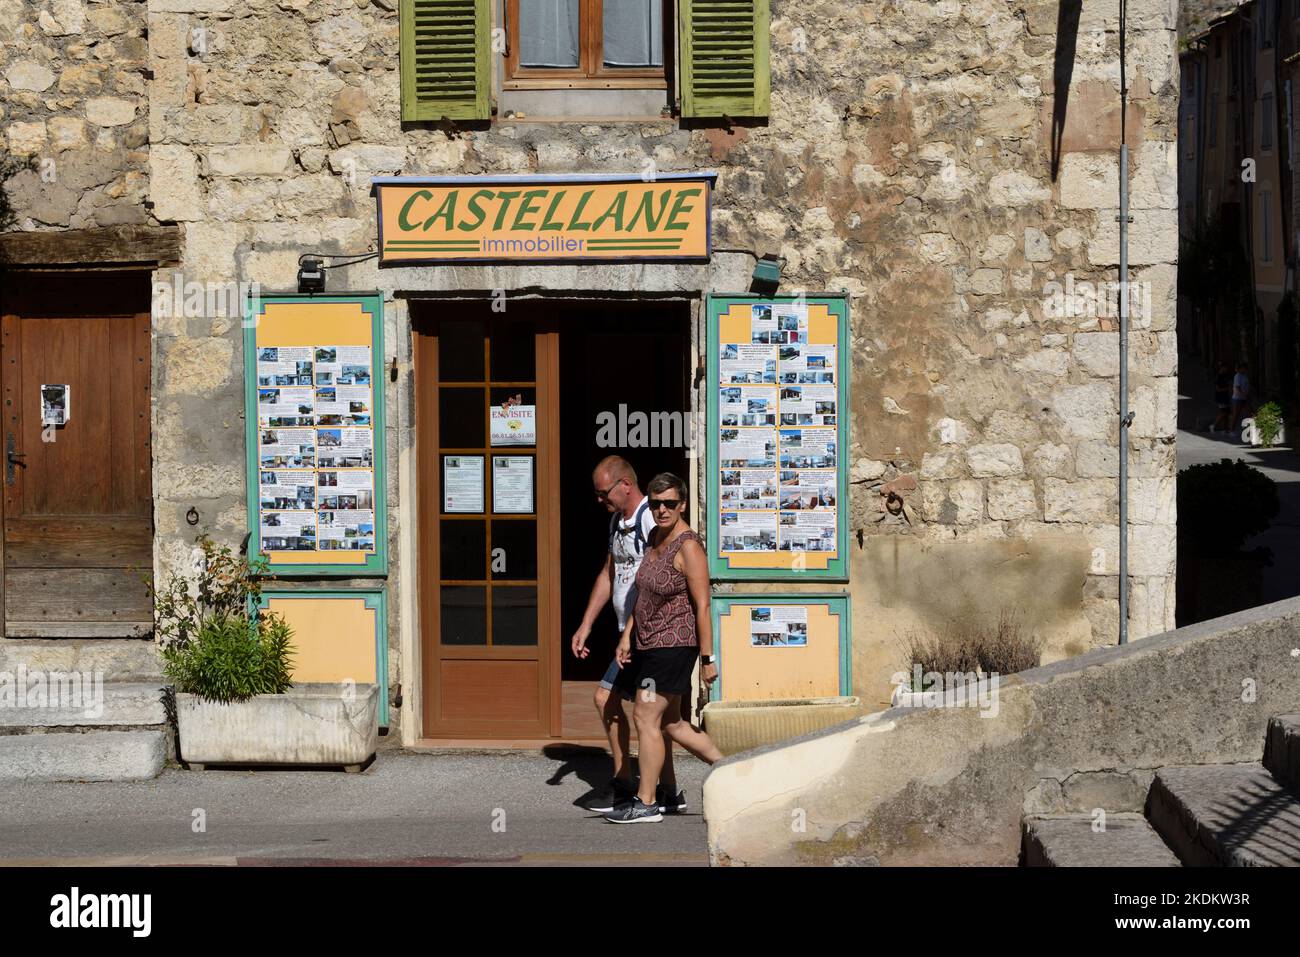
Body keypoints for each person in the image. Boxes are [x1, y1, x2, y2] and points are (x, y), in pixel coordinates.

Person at [605, 472, 724, 824]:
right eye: (656, 504)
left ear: (682, 504)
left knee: (644, 714)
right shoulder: (654, 537)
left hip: (676, 644)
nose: (662, 510)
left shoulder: (688, 546)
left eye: (670, 503)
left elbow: (702, 605)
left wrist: (707, 659)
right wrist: (627, 635)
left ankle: (647, 802)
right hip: (648, 641)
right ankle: (732, 769)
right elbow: (641, 593)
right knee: (672, 723)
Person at [570, 456, 685, 814]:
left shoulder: (651, 520)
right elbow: (610, 573)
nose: (599, 500)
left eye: (604, 493)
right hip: (630, 632)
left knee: (613, 702)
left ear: (625, 485)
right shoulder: (616, 524)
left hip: (650, 634)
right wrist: (586, 624)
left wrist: (634, 633)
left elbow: (658, 578)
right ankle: (669, 792)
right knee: (662, 718)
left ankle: (625, 786)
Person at [1212, 362, 1232, 433]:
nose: (1226, 369)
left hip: (1226, 397)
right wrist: (1227, 388)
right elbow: (1218, 389)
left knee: (1227, 413)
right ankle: (1213, 426)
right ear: (1222, 368)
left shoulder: (1225, 376)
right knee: (1223, 412)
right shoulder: (1218, 377)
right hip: (1220, 397)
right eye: (1225, 368)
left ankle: (1226, 428)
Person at [1231, 362, 1251, 432]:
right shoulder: (1237, 376)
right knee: (1236, 414)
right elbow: (1237, 387)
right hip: (1237, 398)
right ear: (1240, 369)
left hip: (1244, 398)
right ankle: (1232, 430)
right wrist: (1243, 394)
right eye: (1243, 368)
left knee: (1250, 412)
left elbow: (1247, 385)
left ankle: (1250, 429)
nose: (1244, 370)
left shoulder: (1245, 375)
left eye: (1245, 369)